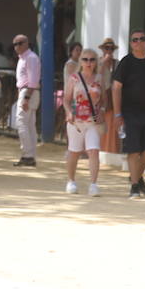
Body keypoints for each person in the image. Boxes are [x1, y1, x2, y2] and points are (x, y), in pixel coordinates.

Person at [111, 29, 145, 198]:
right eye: (135, 40)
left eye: (142, 39)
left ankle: (136, 176)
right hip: (130, 112)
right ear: (131, 43)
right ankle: (135, 185)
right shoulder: (126, 63)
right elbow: (116, 88)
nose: (138, 42)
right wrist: (118, 114)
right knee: (133, 150)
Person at [62, 47, 106, 196]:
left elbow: (104, 101)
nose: (89, 62)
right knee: (74, 151)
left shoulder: (100, 79)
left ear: (96, 62)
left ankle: (93, 184)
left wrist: (102, 111)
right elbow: (66, 100)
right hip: (76, 121)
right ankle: (71, 180)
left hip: (93, 122)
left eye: (92, 59)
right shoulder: (74, 78)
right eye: (85, 59)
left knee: (93, 150)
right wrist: (68, 112)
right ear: (80, 61)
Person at [12, 33, 41, 167]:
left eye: (20, 43)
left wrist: (26, 98)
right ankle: (30, 155)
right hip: (27, 92)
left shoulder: (31, 58)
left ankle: (28, 155)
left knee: (21, 123)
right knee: (29, 124)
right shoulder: (24, 58)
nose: (16, 46)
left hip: (28, 92)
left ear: (27, 43)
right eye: (15, 44)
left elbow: (33, 80)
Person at [97, 37, 122, 155]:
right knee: (101, 124)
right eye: (107, 48)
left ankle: (112, 150)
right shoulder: (98, 62)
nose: (109, 50)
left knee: (113, 125)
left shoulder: (117, 63)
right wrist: (103, 63)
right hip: (101, 96)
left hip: (114, 97)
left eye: (111, 48)